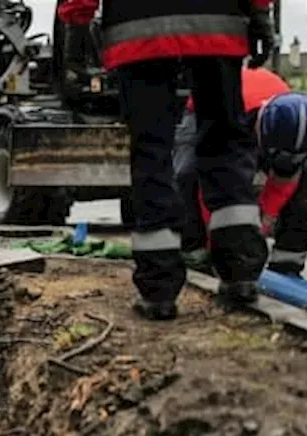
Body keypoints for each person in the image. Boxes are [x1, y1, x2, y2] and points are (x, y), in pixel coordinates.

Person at [57, 0, 275, 320]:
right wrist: (259, 12)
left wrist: (76, 26)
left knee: (151, 152)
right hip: (217, 21)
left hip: (138, 30)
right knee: (225, 139)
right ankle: (240, 269)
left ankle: (159, 289)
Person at [176, 68, 307, 277]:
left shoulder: (299, 127)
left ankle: (287, 262)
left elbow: (285, 181)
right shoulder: (226, 122)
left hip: (256, 107)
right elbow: (209, 183)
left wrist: (260, 228)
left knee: (306, 177)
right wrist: (217, 244)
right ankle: (194, 253)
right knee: (187, 174)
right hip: (206, 110)